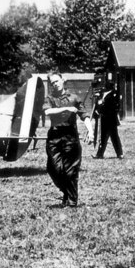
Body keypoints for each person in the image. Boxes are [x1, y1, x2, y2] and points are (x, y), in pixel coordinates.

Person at [43, 72, 90, 207]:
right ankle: (67, 192)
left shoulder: (74, 98)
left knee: (70, 171)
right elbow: (47, 112)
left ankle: (72, 201)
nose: (55, 84)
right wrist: (66, 108)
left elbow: (84, 115)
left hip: (70, 137)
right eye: (52, 83)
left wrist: (90, 131)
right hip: (54, 137)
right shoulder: (50, 98)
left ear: (63, 80)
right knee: (53, 169)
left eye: (57, 81)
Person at [93, 86, 123, 159]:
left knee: (114, 137)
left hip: (111, 119)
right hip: (104, 119)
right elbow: (99, 105)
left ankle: (119, 153)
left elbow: (110, 106)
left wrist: (100, 108)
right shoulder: (102, 95)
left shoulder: (113, 94)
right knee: (103, 137)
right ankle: (100, 154)